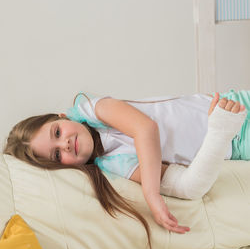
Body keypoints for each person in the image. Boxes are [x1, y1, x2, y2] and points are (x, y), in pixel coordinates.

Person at [3, 89, 248, 236]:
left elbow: (145, 128)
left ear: (61, 116)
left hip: (233, 105)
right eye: (57, 155)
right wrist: (220, 132)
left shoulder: (94, 109)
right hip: (233, 143)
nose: (64, 144)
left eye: (57, 133)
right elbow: (187, 186)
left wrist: (152, 196)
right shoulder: (112, 164)